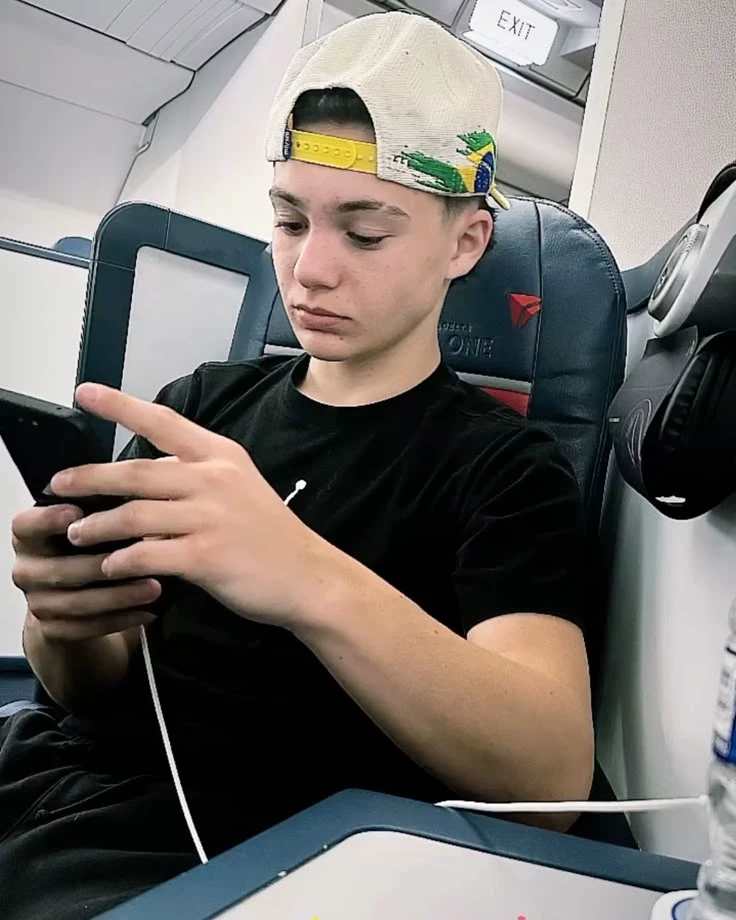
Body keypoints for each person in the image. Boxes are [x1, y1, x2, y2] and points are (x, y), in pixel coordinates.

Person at [0, 11, 594, 919]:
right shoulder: (202, 405)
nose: (309, 269)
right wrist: (62, 621)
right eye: (288, 219)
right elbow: (97, 686)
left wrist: (303, 574)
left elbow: (548, 780)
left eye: (366, 234)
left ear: (465, 243)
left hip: (246, 848)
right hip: (65, 785)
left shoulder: (506, 470)